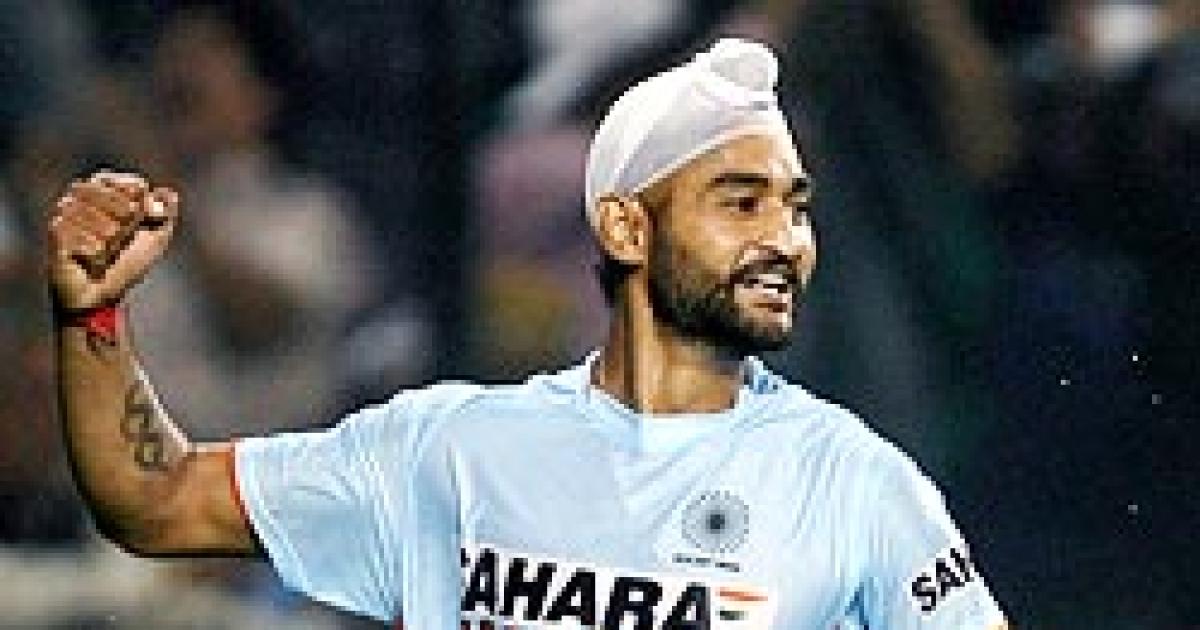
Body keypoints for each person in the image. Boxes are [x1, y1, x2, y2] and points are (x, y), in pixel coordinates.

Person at [49, 39, 1008, 628]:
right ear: (625, 228)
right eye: (740, 200)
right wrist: (93, 316)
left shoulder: (855, 485)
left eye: (795, 207)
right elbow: (154, 500)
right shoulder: (450, 451)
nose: (784, 239)